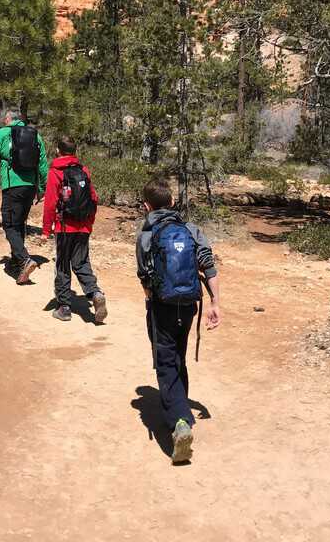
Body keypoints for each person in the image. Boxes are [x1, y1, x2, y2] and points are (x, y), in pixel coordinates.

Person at [137, 177, 220, 464]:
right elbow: (208, 265)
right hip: (188, 306)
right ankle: (178, 409)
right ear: (172, 202)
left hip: (161, 306)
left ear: (147, 206)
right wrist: (214, 303)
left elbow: (144, 276)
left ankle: (180, 421)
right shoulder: (191, 229)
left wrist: (151, 299)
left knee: (165, 361)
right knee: (178, 356)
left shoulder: (147, 234)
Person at [41, 136, 107, 323]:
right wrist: (89, 223)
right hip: (83, 225)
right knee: (81, 263)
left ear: (57, 151)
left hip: (64, 226)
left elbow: (50, 203)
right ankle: (94, 293)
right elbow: (93, 198)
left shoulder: (56, 172)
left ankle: (64, 307)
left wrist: (46, 230)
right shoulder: (83, 170)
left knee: (62, 265)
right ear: (75, 151)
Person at [0, 110, 49, 284]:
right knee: (19, 223)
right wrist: (42, 188)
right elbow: (43, 164)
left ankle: (24, 259)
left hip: (12, 185)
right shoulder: (35, 135)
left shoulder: (2, 133)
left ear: (7, 119)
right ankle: (15, 262)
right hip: (30, 187)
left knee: (9, 223)